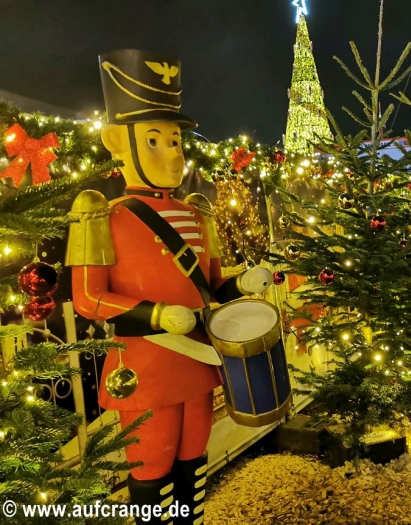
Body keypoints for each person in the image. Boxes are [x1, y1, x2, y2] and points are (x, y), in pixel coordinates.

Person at [66, 49, 272, 525]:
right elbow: (88, 298)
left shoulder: (198, 211)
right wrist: (157, 315)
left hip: (199, 361)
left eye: (176, 139)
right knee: (151, 464)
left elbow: (213, 286)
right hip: (146, 365)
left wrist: (245, 280)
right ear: (117, 141)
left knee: (192, 460)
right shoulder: (99, 211)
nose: (174, 152)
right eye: (156, 140)